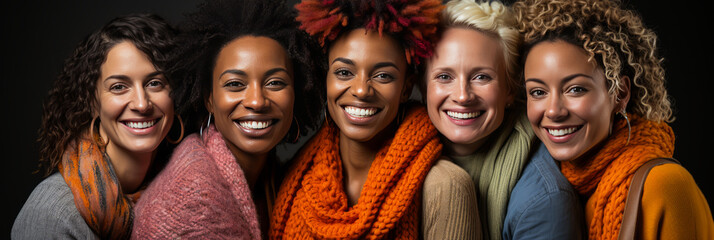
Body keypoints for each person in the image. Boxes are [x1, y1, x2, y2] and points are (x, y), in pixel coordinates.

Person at [270, 0, 479, 239]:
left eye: (383, 76)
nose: (361, 90)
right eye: (344, 72)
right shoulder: (293, 179)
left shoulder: (447, 187)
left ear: (406, 88)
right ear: (324, 79)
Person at [514, 0, 714, 239]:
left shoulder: (666, 186)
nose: (554, 111)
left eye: (576, 89)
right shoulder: (544, 187)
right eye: (538, 92)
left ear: (619, 94)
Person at [130, 0, 325, 239]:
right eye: (235, 84)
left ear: (297, 92)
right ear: (209, 99)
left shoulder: (273, 177)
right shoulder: (192, 202)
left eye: (275, 82)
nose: (257, 101)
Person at [423, 1, 584, 239]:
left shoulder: (543, 200)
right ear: (422, 85)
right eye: (444, 76)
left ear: (510, 89)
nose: (462, 96)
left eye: (481, 77)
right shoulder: (398, 154)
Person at [12, 14, 179, 239]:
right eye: (119, 87)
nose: (142, 104)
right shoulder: (53, 214)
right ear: (93, 102)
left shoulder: (187, 194)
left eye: (155, 83)